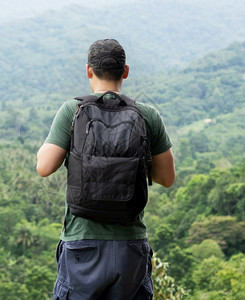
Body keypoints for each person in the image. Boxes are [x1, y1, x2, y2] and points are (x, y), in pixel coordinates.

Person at [36, 39, 175, 300]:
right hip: (130, 247)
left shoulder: (73, 111)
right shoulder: (147, 115)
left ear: (89, 70)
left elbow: (44, 167)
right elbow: (166, 178)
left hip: (81, 243)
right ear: (126, 71)